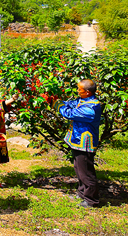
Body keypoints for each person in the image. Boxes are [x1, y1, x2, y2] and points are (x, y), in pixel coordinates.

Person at [56, 79, 102, 208]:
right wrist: (59, 101)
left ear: (87, 92)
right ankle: (82, 193)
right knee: (79, 168)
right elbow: (70, 104)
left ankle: (91, 200)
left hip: (85, 143)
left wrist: (58, 105)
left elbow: (69, 113)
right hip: (77, 141)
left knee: (86, 172)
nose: (77, 91)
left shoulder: (91, 107)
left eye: (79, 90)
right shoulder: (83, 100)